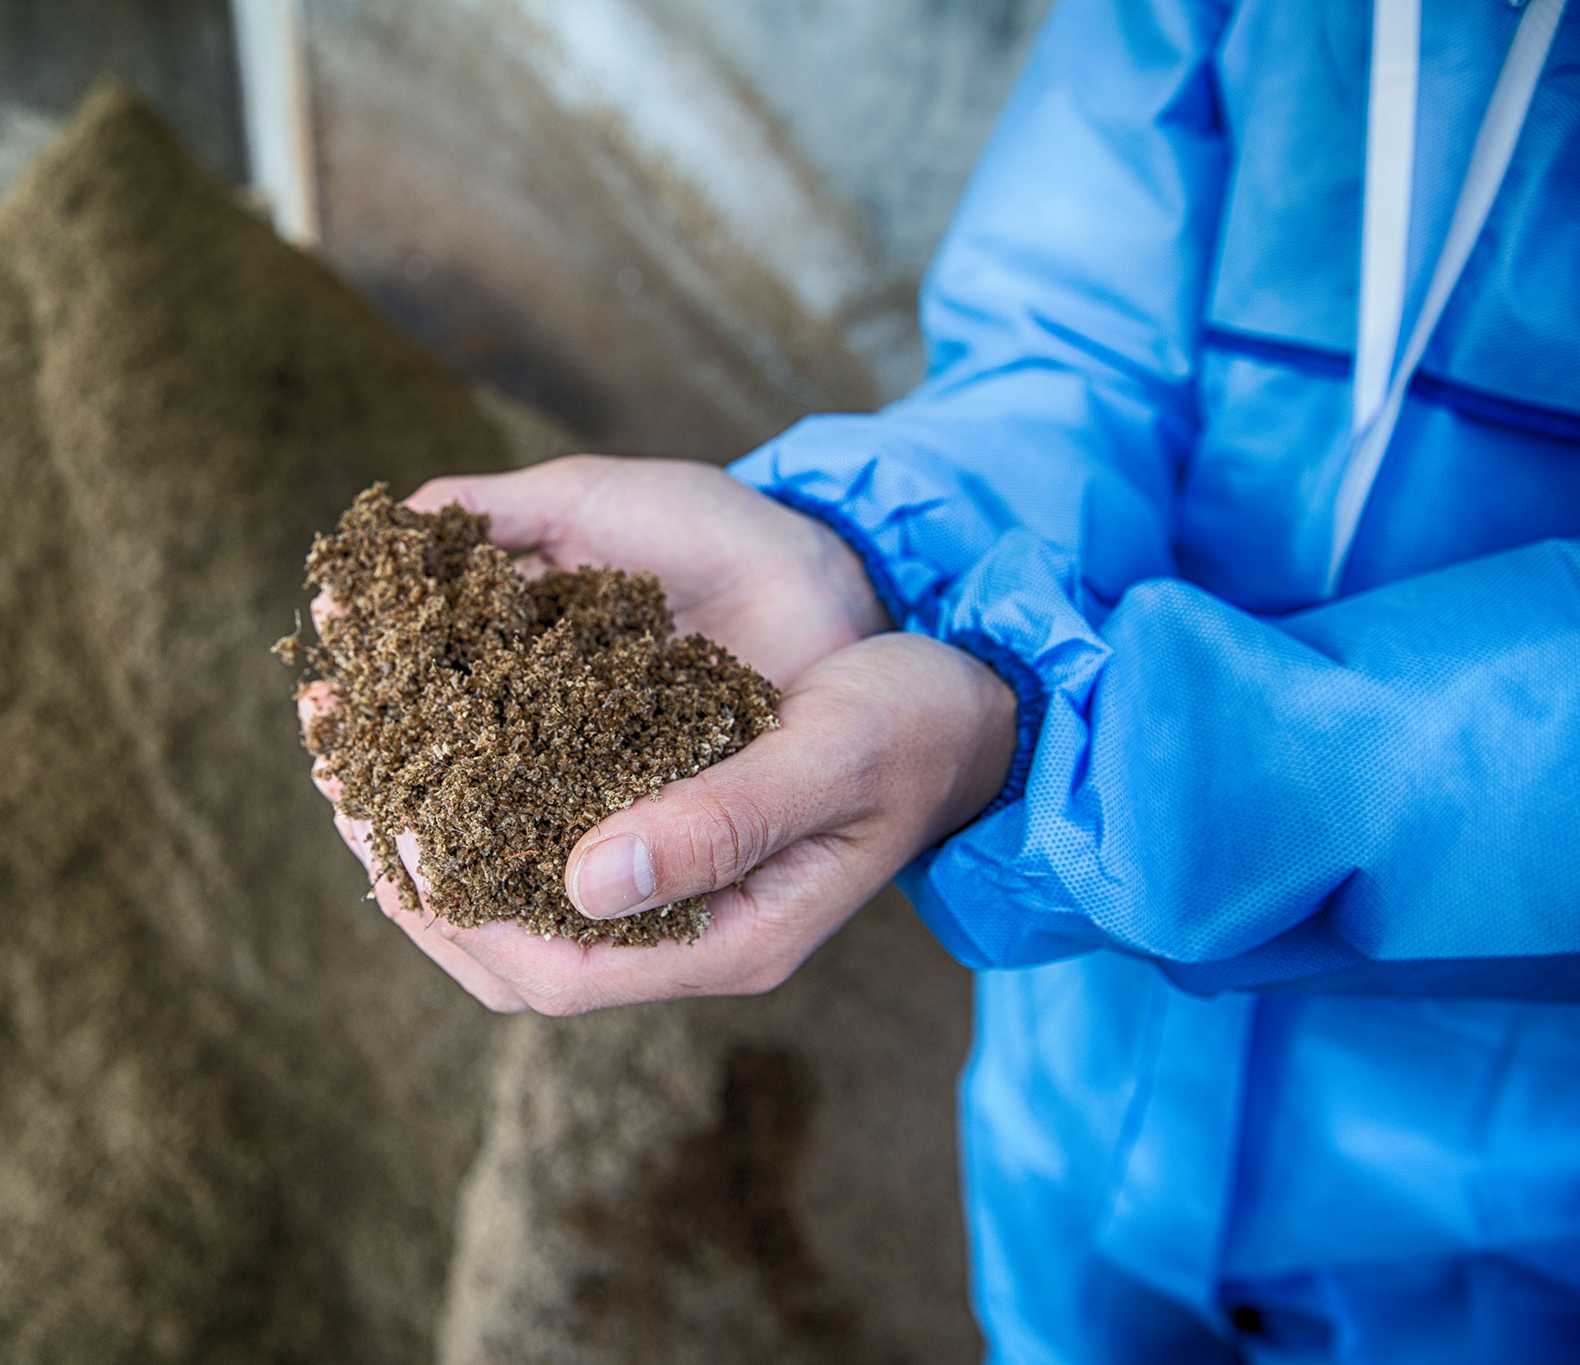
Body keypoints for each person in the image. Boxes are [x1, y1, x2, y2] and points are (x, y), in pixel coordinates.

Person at [301, 0, 1580, 1358]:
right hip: (1083, 1085)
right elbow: (1074, 337)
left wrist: (1050, 750)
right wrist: (857, 557)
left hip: (1509, 1219)